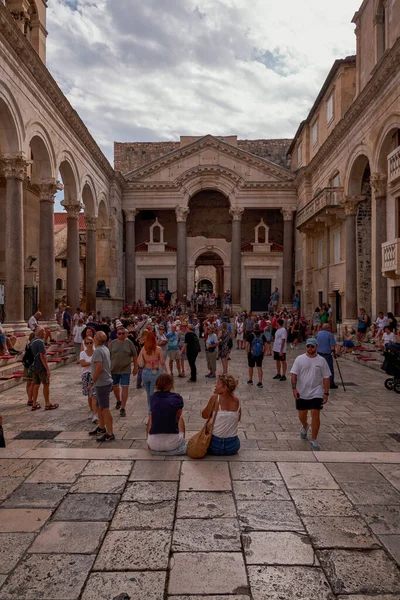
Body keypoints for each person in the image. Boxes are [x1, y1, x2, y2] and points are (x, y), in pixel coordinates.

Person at [290, 337, 331, 451]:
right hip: (301, 392)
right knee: (302, 415)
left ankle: (314, 439)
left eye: (312, 346)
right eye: (308, 346)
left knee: (315, 413)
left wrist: (326, 393)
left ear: (316, 347)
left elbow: (326, 377)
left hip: (316, 392)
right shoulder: (299, 359)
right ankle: (305, 426)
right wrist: (294, 389)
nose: (310, 348)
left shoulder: (321, 360)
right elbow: (294, 375)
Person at [146, 374, 187, 455]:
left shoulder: (153, 398)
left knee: (151, 417)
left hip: (154, 444)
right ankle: (181, 442)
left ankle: (148, 443)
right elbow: (178, 416)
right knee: (181, 419)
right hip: (173, 443)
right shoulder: (177, 398)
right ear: (171, 384)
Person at [201, 374, 241, 456]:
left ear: (225, 388)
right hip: (233, 447)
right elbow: (238, 419)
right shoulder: (237, 401)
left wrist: (212, 415)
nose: (215, 385)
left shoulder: (215, 398)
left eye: (218, 384)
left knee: (212, 417)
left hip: (215, 446)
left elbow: (204, 415)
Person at [89, 331, 115, 442]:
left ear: (96, 339)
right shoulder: (105, 348)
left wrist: (91, 382)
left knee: (105, 408)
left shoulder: (98, 351)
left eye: (94, 337)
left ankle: (110, 433)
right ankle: (101, 427)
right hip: (104, 381)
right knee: (99, 406)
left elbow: (99, 368)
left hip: (102, 383)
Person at [109, 326, 138, 417]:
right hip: (114, 369)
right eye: (119, 333)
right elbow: (108, 356)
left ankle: (123, 407)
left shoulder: (129, 343)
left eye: (123, 333)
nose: (121, 335)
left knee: (125, 387)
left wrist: (135, 367)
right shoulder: (113, 343)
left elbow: (134, 355)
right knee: (115, 386)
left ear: (126, 334)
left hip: (126, 369)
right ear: (116, 334)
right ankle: (118, 400)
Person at [30, 327, 59, 411]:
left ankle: (34, 403)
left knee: (36, 384)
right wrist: (47, 369)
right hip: (40, 366)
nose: (45, 334)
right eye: (44, 332)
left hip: (33, 366)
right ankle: (47, 403)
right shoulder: (40, 342)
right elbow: (42, 356)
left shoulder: (32, 341)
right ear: (41, 333)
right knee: (46, 384)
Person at [138, 331, 168, 413]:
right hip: (155, 372)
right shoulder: (158, 349)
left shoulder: (143, 349)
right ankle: (151, 412)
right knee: (152, 393)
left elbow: (139, 361)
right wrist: (166, 372)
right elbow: (162, 362)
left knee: (148, 394)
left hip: (145, 373)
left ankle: (150, 410)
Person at [80, 336, 98, 423]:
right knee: (89, 394)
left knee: (94, 394)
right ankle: (91, 410)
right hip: (86, 374)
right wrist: (92, 362)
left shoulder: (96, 352)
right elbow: (83, 364)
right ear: (85, 344)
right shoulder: (82, 353)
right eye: (87, 343)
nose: (89, 344)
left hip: (94, 374)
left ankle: (95, 413)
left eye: (91, 343)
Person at [316, 324, 338, 389]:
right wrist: (334, 354)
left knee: (319, 369)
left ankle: (319, 383)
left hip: (319, 354)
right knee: (329, 369)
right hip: (326, 355)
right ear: (328, 328)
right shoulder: (329, 334)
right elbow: (332, 347)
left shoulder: (318, 334)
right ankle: (331, 383)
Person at [246, 323, 267, 388]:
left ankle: (250, 379)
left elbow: (246, 345)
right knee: (259, 367)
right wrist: (264, 353)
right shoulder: (262, 335)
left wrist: (247, 353)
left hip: (251, 353)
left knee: (251, 367)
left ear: (253, 328)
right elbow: (265, 345)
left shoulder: (251, 335)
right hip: (260, 353)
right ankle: (260, 381)